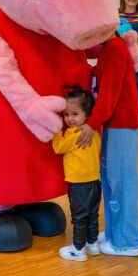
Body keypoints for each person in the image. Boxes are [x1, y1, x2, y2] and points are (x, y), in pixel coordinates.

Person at [76, 31, 138, 256]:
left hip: (122, 125)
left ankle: (128, 242)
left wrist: (91, 124)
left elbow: (109, 94)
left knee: (122, 182)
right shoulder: (109, 49)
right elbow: (101, 80)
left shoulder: (114, 49)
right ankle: (116, 231)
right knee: (112, 180)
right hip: (115, 125)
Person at [52, 86, 102, 262]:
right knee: (92, 214)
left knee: (79, 217)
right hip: (95, 181)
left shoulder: (73, 134)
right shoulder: (94, 131)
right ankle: (92, 243)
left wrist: (57, 131)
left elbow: (59, 148)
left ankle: (78, 248)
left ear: (87, 115)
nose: (70, 119)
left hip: (79, 183)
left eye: (75, 114)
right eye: (66, 115)